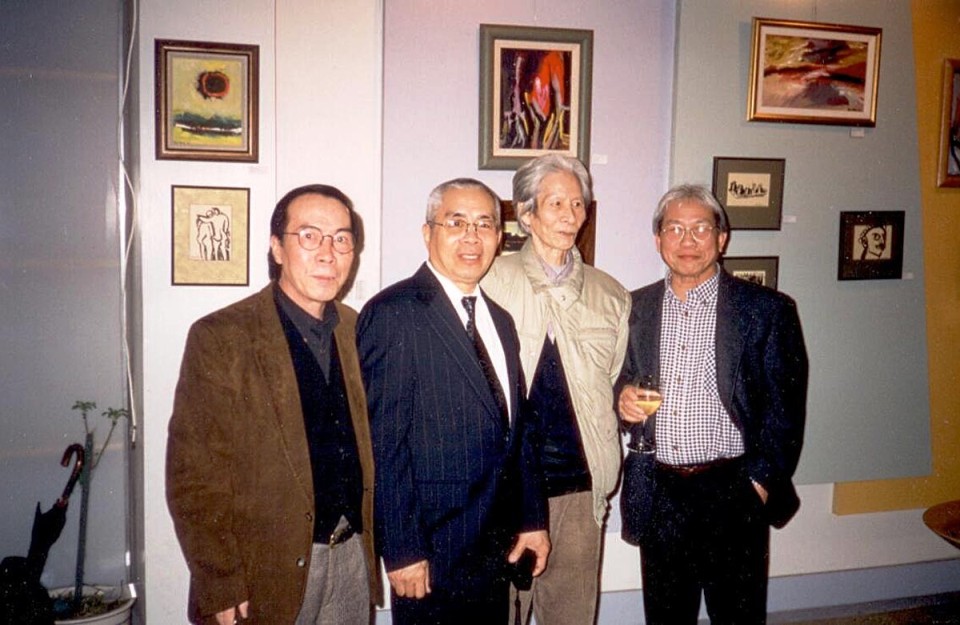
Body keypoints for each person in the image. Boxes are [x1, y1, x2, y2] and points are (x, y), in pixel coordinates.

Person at [166, 184, 379, 625]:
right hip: (263, 571)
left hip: (350, 558)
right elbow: (193, 476)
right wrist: (220, 580)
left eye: (341, 239)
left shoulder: (357, 330)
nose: (328, 254)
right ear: (277, 247)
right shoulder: (222, 337)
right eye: (310, 236)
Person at [357, 178, 550, 624]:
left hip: (495, 548)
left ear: (499, 238)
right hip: (431, 553)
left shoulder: (500, 320)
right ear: (428, 233)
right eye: (456, 222)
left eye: (484, 225)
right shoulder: (394, 313)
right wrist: (402, 549)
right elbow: (383, 443)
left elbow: (517, 430)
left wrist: (532, 518)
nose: (471, 237)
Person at [616, 184, 808, 625]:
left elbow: (786, 410)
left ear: (722, 238)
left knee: (738, 615)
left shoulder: (765, 310)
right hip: (661, 489)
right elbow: (617, 379)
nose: (687, 241)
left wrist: (759, 483)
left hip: (733, 489)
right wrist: (620, 398)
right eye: (675, 229)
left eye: (700, 229)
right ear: (658, 239)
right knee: (666, 616)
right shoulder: (632, 307)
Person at [482, 154, 630, 625]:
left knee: (570, 616)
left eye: (578, 204)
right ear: (526, 214)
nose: (570, 215)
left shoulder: (611, 295)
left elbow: (611, 381)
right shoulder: (490, 282)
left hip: (580, 489)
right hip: (505, 490)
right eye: (556, 203)